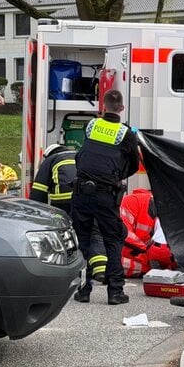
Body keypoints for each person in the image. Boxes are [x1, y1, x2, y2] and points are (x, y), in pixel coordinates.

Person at [71, 89, 140, 305]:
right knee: (113, 239)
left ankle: (83, 291)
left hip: (81, 192)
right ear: (122, 108)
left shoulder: (91, 126)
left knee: (82, 240)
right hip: (106, 194)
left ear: (103, 106)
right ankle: (115, 292)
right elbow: (134, 165)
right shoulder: (126, 133)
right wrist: (117, 176)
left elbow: (86, 154)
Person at [30, 143, 109, 287]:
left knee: (67, 234)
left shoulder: (51, 160)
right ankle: (101, 270)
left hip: (64, 203)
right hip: (91, 198)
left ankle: (71, 269)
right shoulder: (81, 156)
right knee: (94, 233)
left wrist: (36, 214)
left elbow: (38, 191)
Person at [120, 188, 177, 277]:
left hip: (143, 254)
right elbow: (124, 232)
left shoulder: (153, 206)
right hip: (132, 253)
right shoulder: (132, 202)